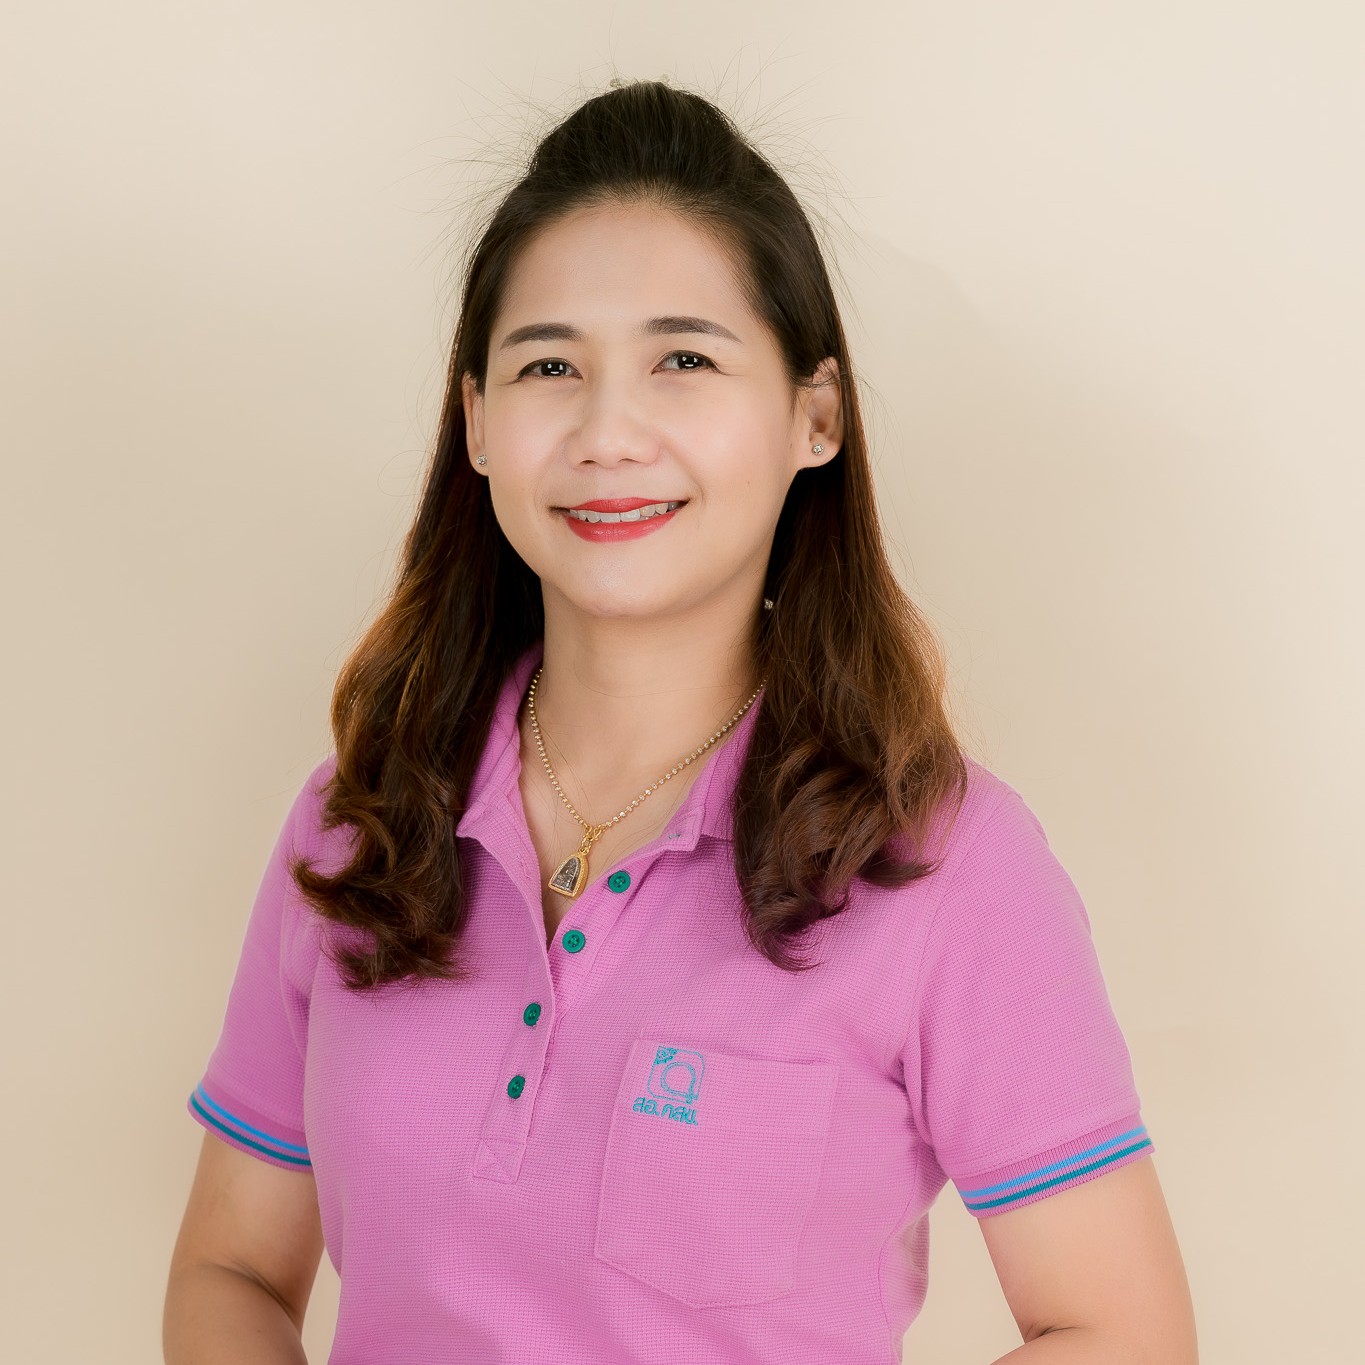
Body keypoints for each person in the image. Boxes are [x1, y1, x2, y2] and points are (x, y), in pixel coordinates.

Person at [164, 78, 1197, 1365]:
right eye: (549, 366)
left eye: (685, 361)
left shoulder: (944, 861)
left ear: (815, 416)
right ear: (477, 421)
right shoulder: (357, 819)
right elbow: (229, 1269)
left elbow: (1119, 1329)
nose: (608, 434)